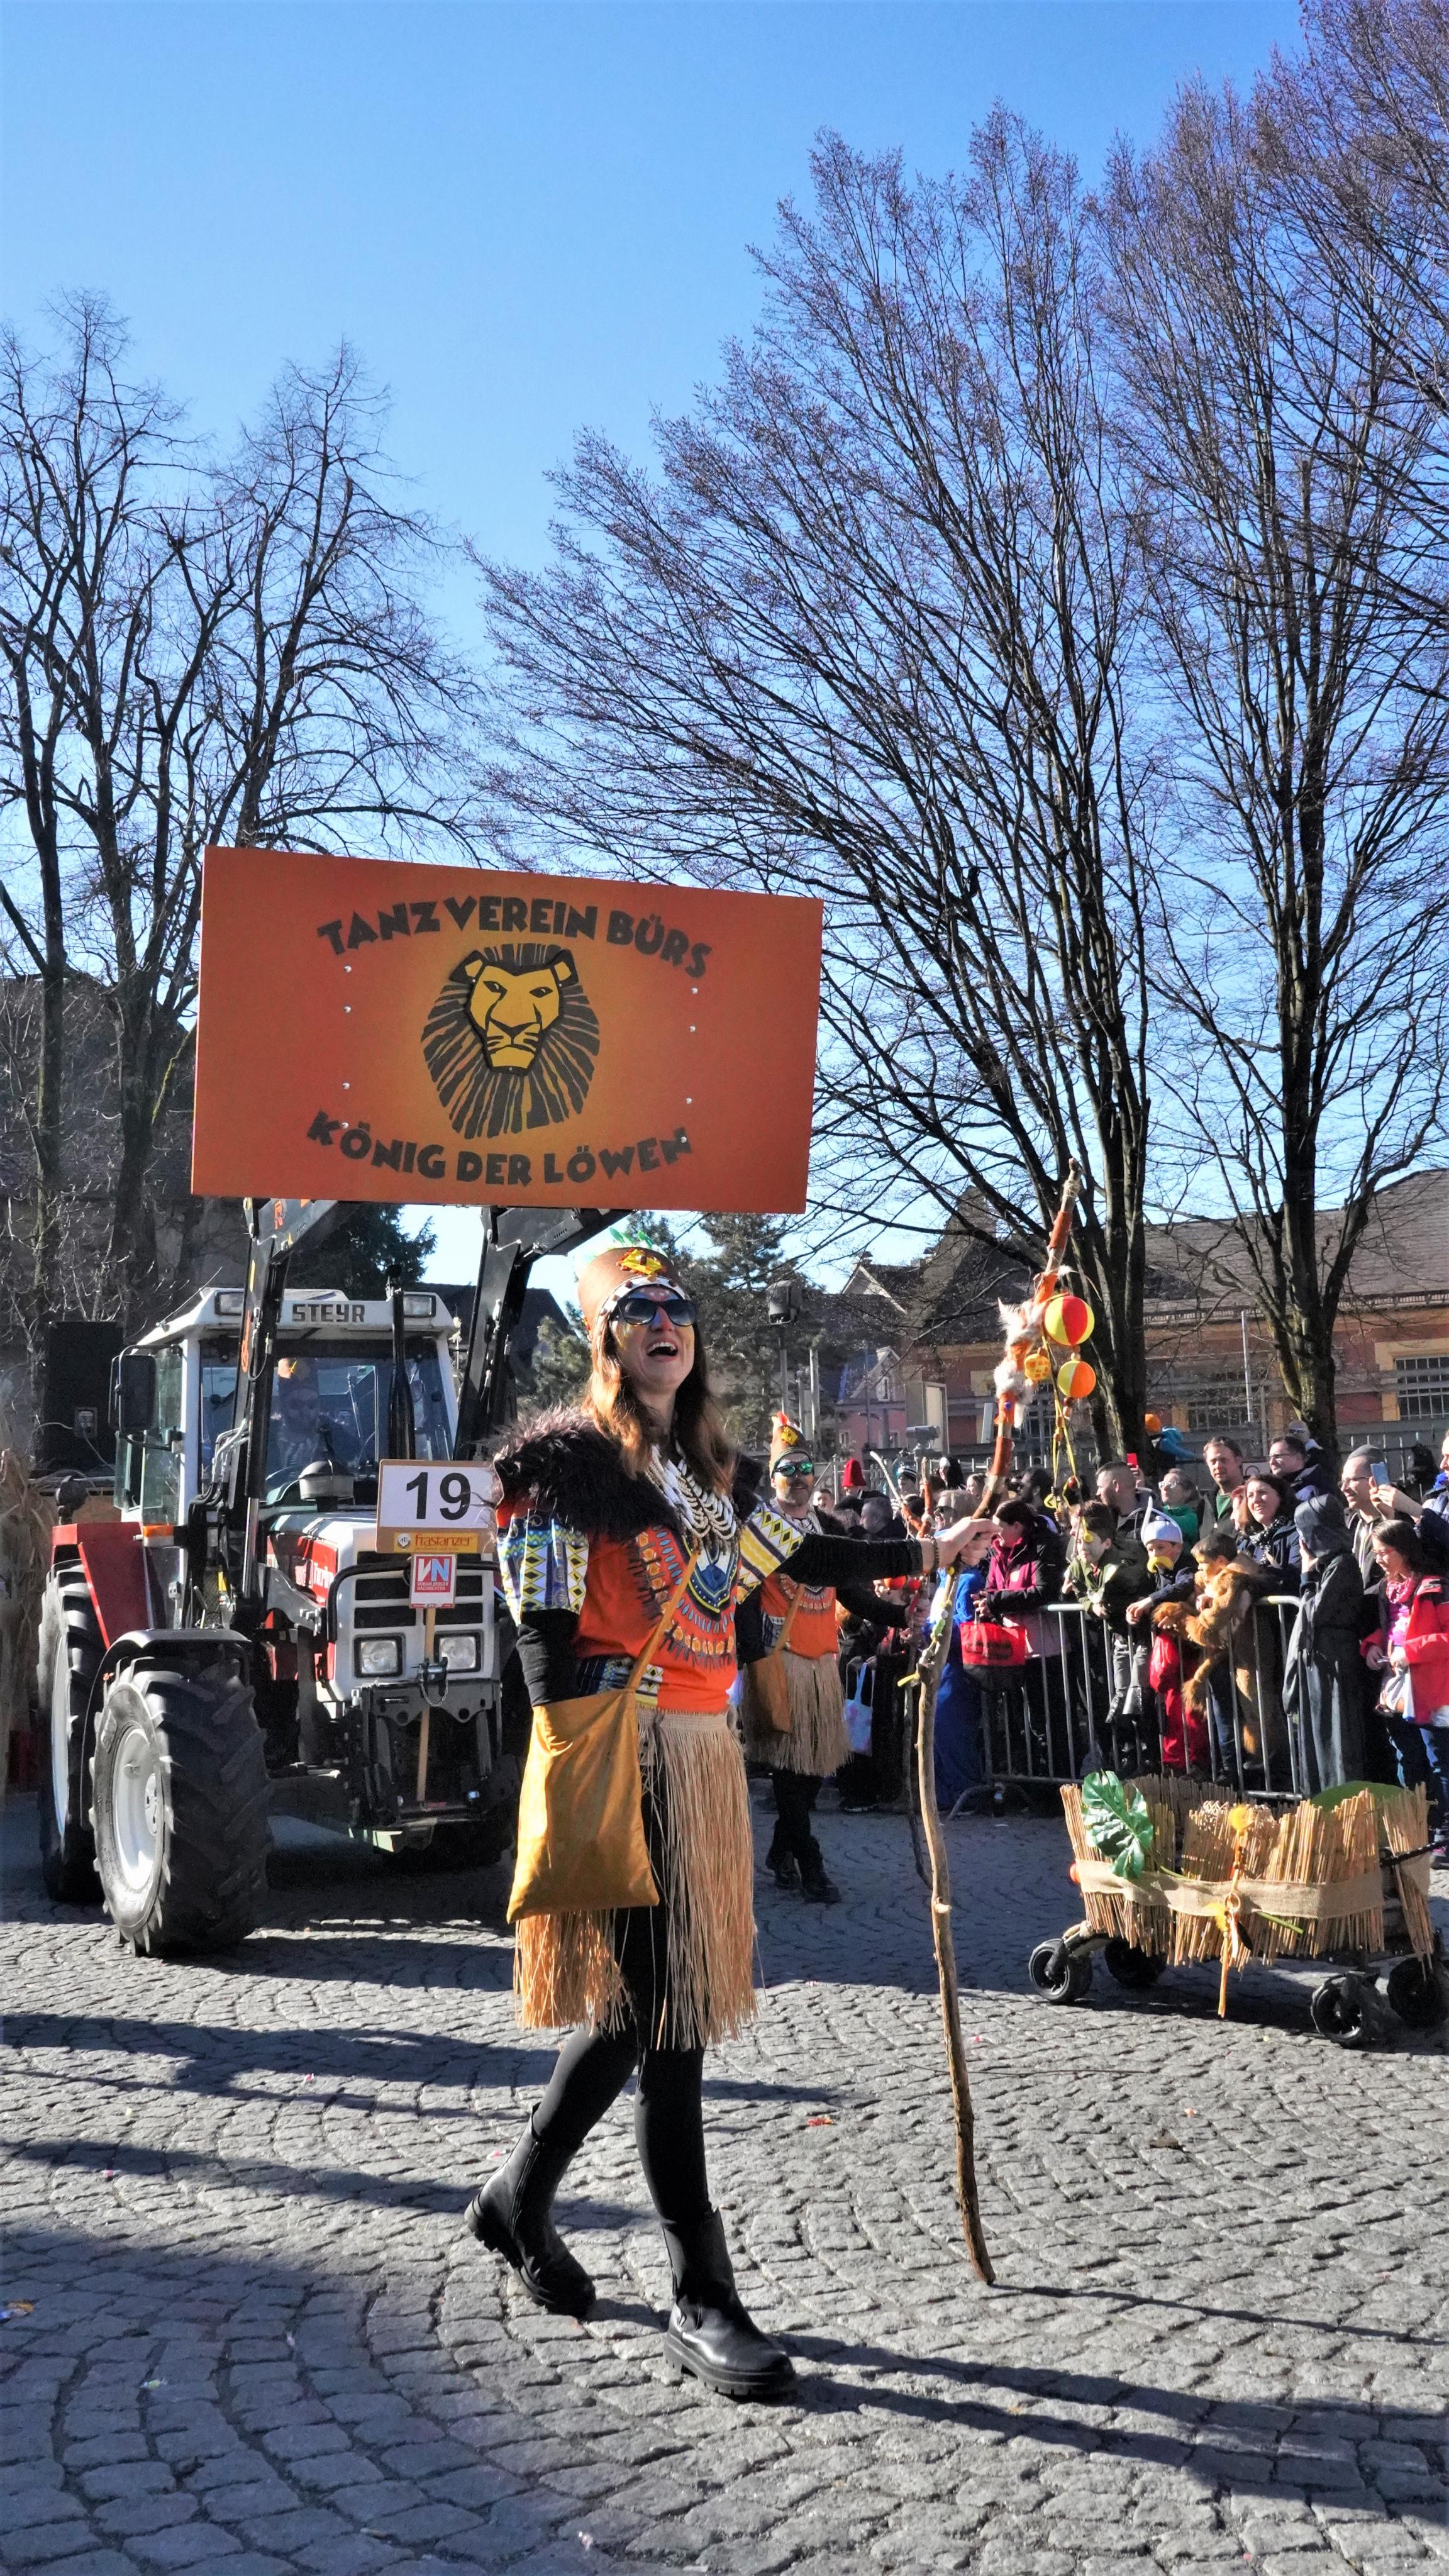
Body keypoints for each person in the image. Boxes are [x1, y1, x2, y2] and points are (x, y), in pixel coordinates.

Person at [470, 1243, 992, 2397]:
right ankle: (699, 2291)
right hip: (630, 1751)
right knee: (670, 2017)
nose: (664, 1322)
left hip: (705, 1757)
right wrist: (580, 1755)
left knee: (638, 2012)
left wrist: (925, 1551)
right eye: (638, 1309)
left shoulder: (713, 1469)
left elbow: (803, 1552)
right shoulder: (565, 1466)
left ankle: (517, 2198)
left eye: (679, 1307)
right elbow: (538, 1629)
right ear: (606, 1338)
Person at [740, 1412, 884, 1904]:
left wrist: (895, 1614)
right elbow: (744, 1598)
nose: (799, 1479)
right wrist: (753, 1657)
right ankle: (811, 1864)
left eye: (805, 1469)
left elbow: (851, 1589)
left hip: (823, 1665)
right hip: (782, 1663)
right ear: (773, 1476)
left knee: (809, 1774)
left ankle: (782, 1850)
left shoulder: (827, 1527)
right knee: (788, 1773)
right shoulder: (760, 1529)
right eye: (788, 1470)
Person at [1365, 1516, 1449, 1859]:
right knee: (1407, 1757)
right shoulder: (1386, 1591)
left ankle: (1445, 1832)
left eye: (1385, 1552)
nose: (1380, 1559)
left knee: (1439, 1760)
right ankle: (1417, 1828)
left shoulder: (1435, 1587)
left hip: (1433, 1690)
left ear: (1404, 1550)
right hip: (1398, 1690)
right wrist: (1372, 1646)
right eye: (1376, 1553)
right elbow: (1388, 1629)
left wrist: (1411, 1652)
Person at [1282, 1495, 1368, 1792]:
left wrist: (1306, 1576)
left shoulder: (1343, 1564)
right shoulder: (1331, 1565)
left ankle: (1343, 1797)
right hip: (1321, 1658)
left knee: (1337, 1733)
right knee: (1319, 1730)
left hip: (1336, 1657)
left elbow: (1316, 1612)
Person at [1068, 1499, 1152, 1740]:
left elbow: (1136, 1584)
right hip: (1119, 1636)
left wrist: (1110, 1598)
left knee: (1139, 1692)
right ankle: (1126, 1740)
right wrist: (1093, 1606)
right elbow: (1080, 1591)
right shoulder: (1080, 1563)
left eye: (1084, 1536)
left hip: (1142, 1634)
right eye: (1077, 1537)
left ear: (1105, 1541)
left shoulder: (1125, 1557)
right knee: (1121, 1688)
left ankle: (1146, 1744)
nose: (1076, 1538)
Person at [1241, 1468, 1303, 1592]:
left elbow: (1296, 1578)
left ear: (1281, 1497)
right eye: (1250, 1496)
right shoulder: (1247, 1542)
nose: (1256, 1500)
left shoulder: (1298, 1534)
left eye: (1262, 1493)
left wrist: (1256, 1574)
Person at [1341, 1450, 1394, 1587]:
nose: (1344, 1489)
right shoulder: (1345, 1523)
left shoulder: (1401, 1522)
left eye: (1351, 1480)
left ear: (1375, 1480)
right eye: (1343, 1482)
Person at [1095, 1460, 1148, 1545]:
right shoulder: (1104, 1520)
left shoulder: (1151, 1522)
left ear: (1116, 1486)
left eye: (1100, 1487)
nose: (1097, 1493)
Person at [1269, 1432, 1331, 1504]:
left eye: (1278, 1456)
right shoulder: (1271, 1488)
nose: (1272, 1462)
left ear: (1298, 1457)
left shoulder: (1319, 1487)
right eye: (1270, 1457)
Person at [1202, 1435, 1249, 1524]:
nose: (1218, 1466)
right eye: (1213, 1462)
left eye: (1223, 1460)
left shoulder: (1252, 1498)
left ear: (1238, 1461)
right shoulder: (1204, 1504)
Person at [1158, 1467, 1202, 1546]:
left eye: (1172, 1484)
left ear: (1187, 1492)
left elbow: (1172, 1524)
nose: (1165, 1488)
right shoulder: (1160, 1511)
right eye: (1163, 1484)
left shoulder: (1194, 1517)